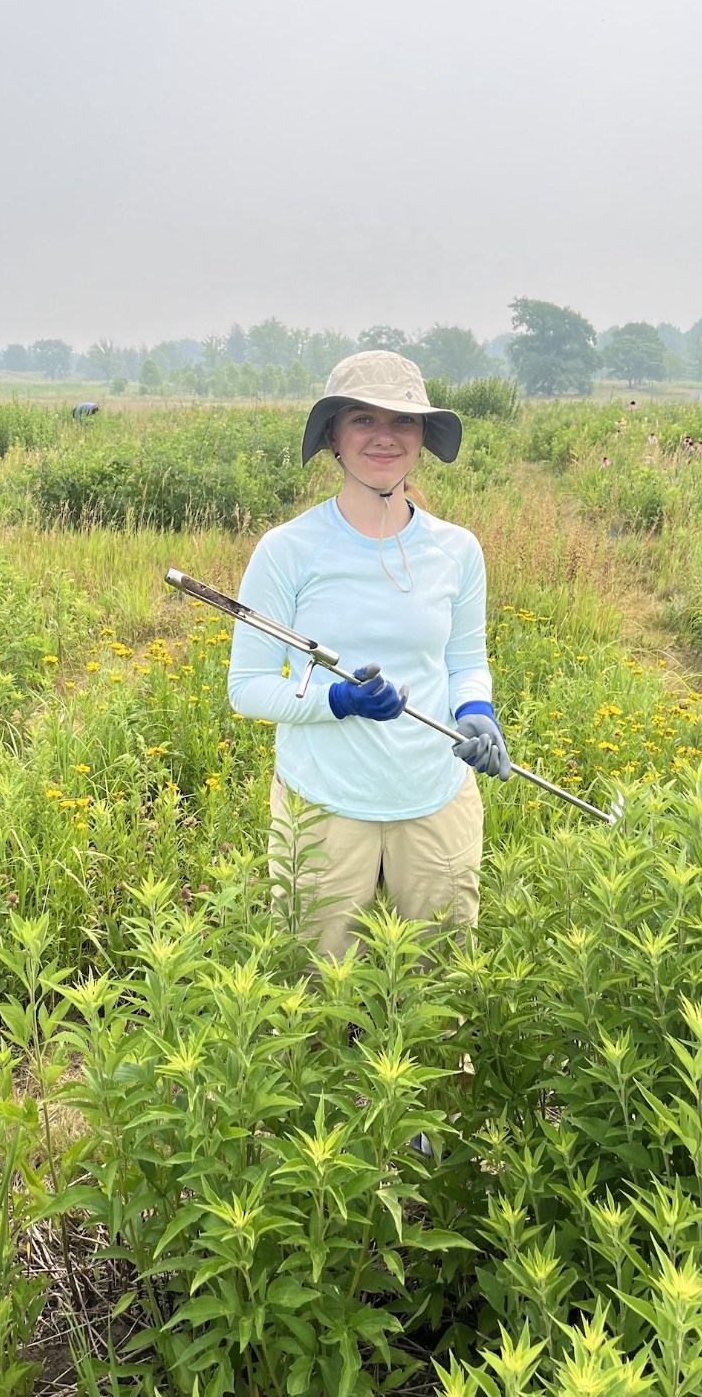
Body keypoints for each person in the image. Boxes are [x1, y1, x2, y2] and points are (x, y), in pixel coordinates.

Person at [227, 350, 511, 962]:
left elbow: (465, 659)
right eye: (362, 419)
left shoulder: (457, 551)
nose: (384, 437)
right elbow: (246, 686)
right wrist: (338, 700)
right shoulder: (287, 551)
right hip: (323, 805)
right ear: (333, 435)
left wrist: (478, 710)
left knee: (446, 982)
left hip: (436, 796)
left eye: (403, 421)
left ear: (423, 438)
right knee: (314, 990)